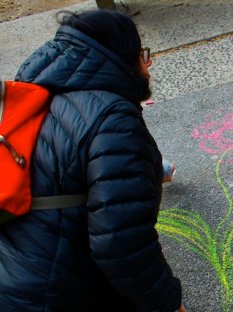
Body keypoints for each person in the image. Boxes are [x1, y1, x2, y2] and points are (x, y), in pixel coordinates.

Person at [0, 10, 185, 312]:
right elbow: (123, 247)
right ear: (124, 58)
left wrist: (150, 171)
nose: (148, 66)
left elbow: (73, 168)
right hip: (54, 294)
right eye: (142, 55)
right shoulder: (113, 116)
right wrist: (168, 302)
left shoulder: (37, 95)